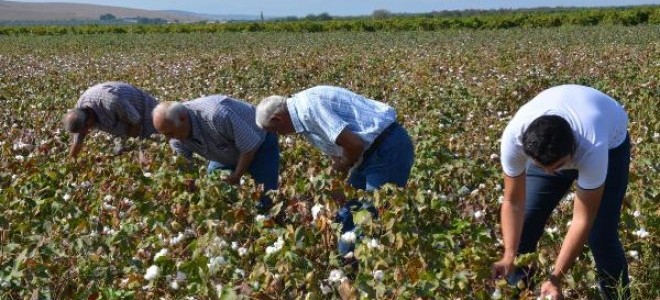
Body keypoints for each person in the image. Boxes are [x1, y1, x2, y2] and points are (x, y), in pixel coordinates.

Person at [492, 85, 631, 300]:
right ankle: (519, 292)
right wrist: (509, 255)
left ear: (572, 151)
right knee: (525, 224)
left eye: (556, 167)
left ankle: (617, 296)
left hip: (612, 145)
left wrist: (556, 277)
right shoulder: (515, 137)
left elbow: (582, 219)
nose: (549, 172)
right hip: (557, 143)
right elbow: (513, 201)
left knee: (601, 236)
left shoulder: (592, 148)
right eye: (540, 165)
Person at [255, 85, 414, 256]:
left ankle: (366, 267)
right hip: (368, 154)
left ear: (278, 119)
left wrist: (344, 166)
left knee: (368, 218)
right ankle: (350, 266)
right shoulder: (302, 116)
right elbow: (337, 151)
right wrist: (337, 185)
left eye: (275, 131)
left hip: (387, 148)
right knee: (346, 217)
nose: (280, 135)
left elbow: (354, 145)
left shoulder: (308, 109)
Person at [152, 95, 279, 212]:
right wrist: (189, 186)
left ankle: (270, 219)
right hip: (222, 150)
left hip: (259, 143)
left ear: (183, 118)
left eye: (170, 133)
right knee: (214, 188)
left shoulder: (216, 115)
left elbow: (249, 147)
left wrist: (236, 176)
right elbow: (184, 165)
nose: (169, 139)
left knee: (266, 197)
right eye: (165, 134)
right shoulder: (175, 134)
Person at [63, 82, 160, 158]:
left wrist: (130, 146)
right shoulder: (79, 111)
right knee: (122, 151)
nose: (87, 132)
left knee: (152, 146)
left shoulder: (110, 102)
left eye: (87, 128)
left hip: (147, 111)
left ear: (88, 120)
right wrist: (71, 162)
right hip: (125, 117)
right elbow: (78, 140)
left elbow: (136, 122)